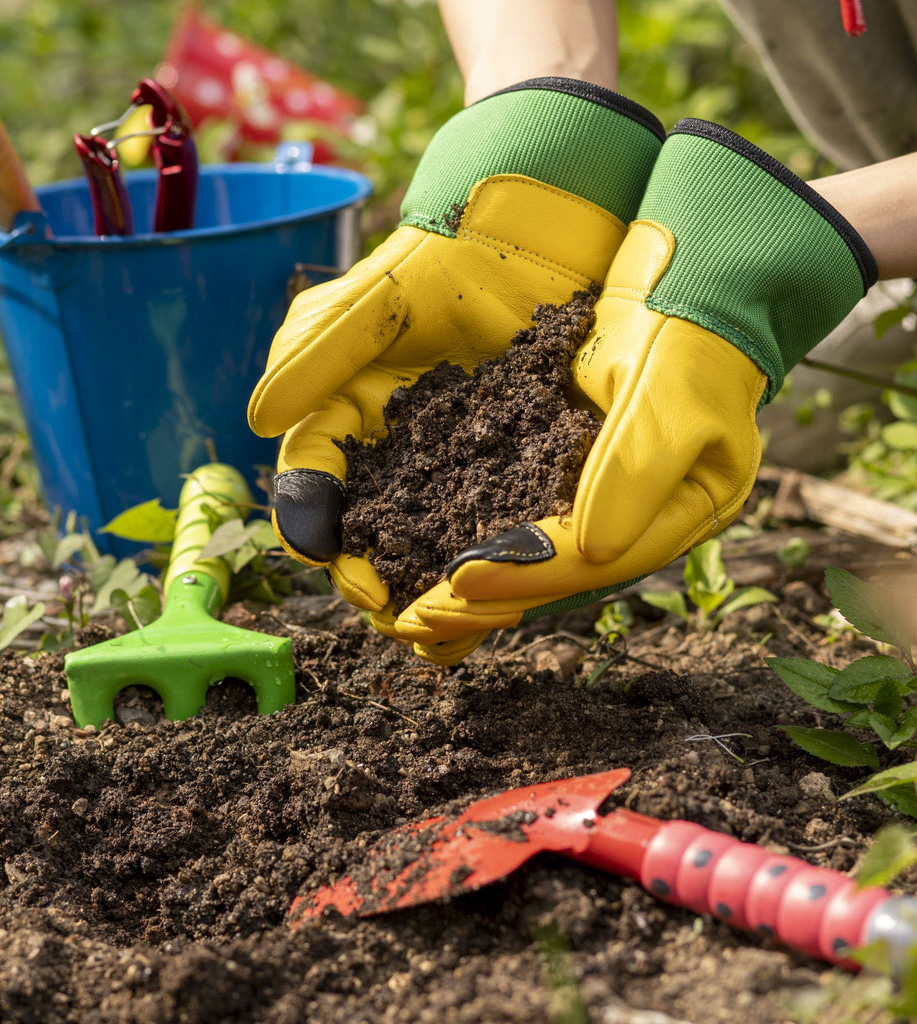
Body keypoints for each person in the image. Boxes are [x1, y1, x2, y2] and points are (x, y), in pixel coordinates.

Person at [247, 0, 917, 665]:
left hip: (874, 232)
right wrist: (540, 119)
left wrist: (788, 244)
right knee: (702, 441)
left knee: (709, 443)